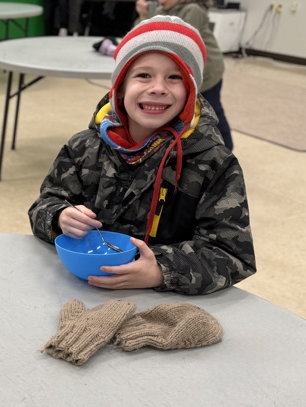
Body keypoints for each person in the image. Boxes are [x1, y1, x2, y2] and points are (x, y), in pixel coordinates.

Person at [27, 15, 256, 295]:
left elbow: (232, 255)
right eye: (143, 75)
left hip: (165, 302)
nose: (158, 88)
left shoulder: (213, 163)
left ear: (191, 92)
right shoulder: (83, 147)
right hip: (80, 291)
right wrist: (60, 217)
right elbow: (44, 204)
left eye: (174, 77)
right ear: (120, 88)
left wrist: (161, 270)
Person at [136, 0, 233, 150]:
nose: (161, 1)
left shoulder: (193, 10)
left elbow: (179, 44)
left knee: (212, 111)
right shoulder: (163, 10)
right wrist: (144, 16)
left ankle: (226, 148)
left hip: (207, 74)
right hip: (181, 74)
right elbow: (141, 36)